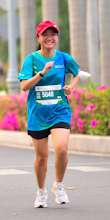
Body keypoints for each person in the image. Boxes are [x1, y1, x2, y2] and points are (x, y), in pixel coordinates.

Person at [18, 20, 81, 208]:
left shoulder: (63, 58)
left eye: (53, 34)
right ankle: (41, 191)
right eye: (45, 34)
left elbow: (77, 73)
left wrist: (72, 86)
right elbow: (24, 86)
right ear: (38, 38)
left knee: (61, 149)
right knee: (42, 157)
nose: (49, 38)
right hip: (37, 114)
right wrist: (42, 73)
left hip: (59, 110)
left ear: (56, 38)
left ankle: (59, 185)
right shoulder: (31, 60)